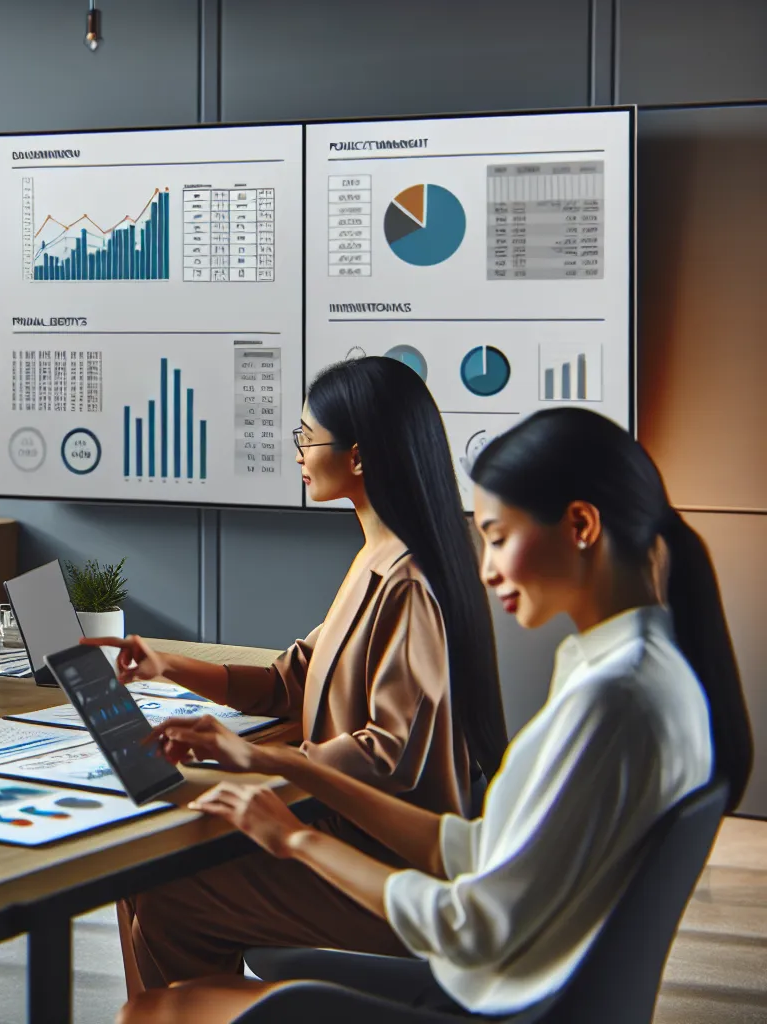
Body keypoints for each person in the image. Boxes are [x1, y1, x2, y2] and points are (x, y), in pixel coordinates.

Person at [116, 406, 752, 1022]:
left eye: (499, 539)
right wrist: (268, 761)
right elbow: (477, 851)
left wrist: (296, 837)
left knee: (155, 1006)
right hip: (519, 986)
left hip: (499, 1000)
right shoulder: (642, 673)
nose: (486, 567)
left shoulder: (612, 700)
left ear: (581, 526)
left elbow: (473, 927)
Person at [89, 356, 508, 994]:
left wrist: (267, 763)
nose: (298, 454)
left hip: (382, 861)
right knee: (150, 879)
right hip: (344, 831)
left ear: (359, 457)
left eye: (307, 439)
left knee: (167, 890)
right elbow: (293, 677)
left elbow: (390, 754)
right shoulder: (377, 554)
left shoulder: (409, 582)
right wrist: (167, 665)